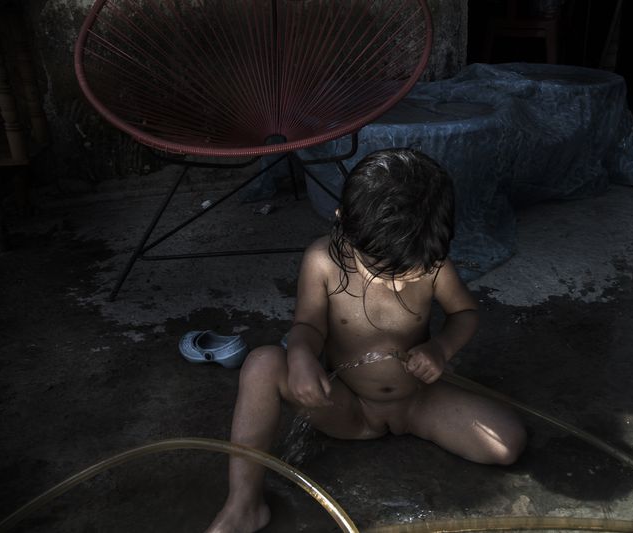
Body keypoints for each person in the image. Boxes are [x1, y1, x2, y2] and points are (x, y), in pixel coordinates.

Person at [206, 148, 527, 533]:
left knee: (508, 443)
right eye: (381, 269)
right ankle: (244, 504)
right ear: (345, 224)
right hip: (346, 405)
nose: (395, 283)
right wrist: (302, 357)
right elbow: (307, 325)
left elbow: (465, 314)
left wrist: (441, 348)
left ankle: (418, 420)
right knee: (261, 364)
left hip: (417, 402)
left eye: (409, 274)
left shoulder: (433, 263)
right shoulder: (322, 261)